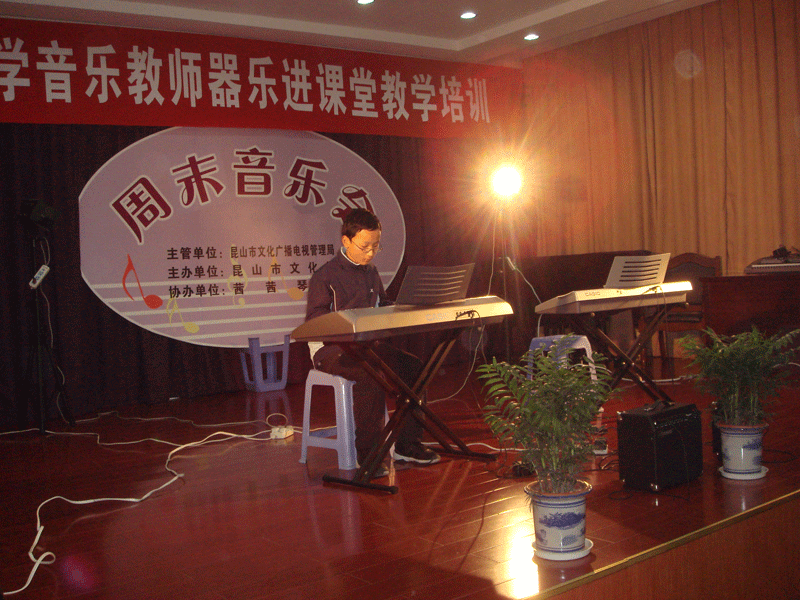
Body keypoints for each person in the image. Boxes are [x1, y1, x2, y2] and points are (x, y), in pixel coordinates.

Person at [305, 208, 440, 475]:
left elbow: (382, 304)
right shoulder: (325, 276)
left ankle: (407, 445)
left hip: (367, 346)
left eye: (375, 246)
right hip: (331, 350)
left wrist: (404, 306)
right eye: (364, 246)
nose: (370, 253)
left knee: (414, 368)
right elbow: (315, 321)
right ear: (346, 241)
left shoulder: (371, 272)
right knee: (369, 374)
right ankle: (369, 456)